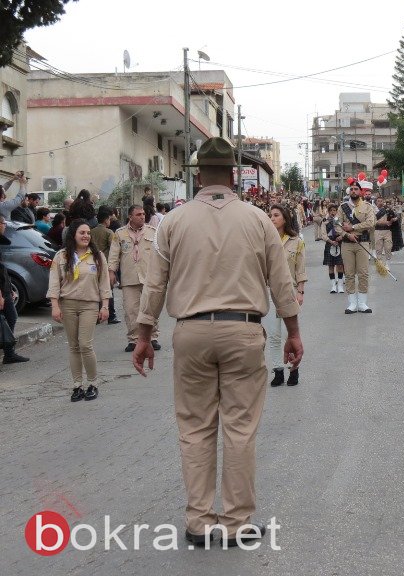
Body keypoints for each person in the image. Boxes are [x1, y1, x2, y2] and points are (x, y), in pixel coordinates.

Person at [133, 137, 302, 548]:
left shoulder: (172, 222)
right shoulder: (258, 220)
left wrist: (142, 335)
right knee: (240, 429)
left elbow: (154, 285)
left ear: (197, 177)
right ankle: (238, 522)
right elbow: (281, 282)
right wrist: (293, 332)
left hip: (190, 332)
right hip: (243, 330)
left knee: (195, 427)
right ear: (232, 173)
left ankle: (199, 521)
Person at [47, 218, 112, 401]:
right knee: (74, 346)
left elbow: (104, 282)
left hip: (89, 305)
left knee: (85, 344)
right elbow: (54, 282)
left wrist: (105, 306)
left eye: (88, 233)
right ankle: (77, 386)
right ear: (73, 235)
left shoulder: (97, 256)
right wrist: (55, 306)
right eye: (82, 233)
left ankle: (92, 383)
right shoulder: (62, 256)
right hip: (67, 304)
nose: (86, 236)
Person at [108, 205, 159, 352]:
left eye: (143, 214)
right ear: (130, 216)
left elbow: (159, 254)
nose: (142, 216)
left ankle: (153, 337)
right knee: (131, 310)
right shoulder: (119, 233)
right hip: (129, 277)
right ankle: (134, 339)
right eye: (138, 214)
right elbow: (113, 255)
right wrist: (111, 272)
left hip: (149, 277)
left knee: (151, 308)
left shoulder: (153, 232)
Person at [268, 203, 307, 388]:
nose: (272, 218)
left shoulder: (296, 241)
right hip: (269, 292)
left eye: (276, 215)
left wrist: (300, 291)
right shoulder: (265, 240)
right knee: (273, 334)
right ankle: (277, 370)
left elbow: (300, 268)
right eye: (270, 215)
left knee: (289, 334)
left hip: (289, 291)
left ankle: (294, 369)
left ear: (284, 218)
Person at [336, 182, 376, 313]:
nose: (353, 191)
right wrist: (347, 234)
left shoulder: (367, 206)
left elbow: (371, 223)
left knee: (363, 273)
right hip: (347, 244)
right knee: (349, 273)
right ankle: (352, 303)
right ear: (349, 192)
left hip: (362, 242)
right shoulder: (342, 207)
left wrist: (353, 227)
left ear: (360, 191)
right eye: (351, 189)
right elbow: (337, 225)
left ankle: (362, 303)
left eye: (356, 189)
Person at [0, 215, 29, 364]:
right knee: (6, 319)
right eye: (3, 223)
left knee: (11, 317)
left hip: (5, 289)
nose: (5, 226)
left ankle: (9, 352)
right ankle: (8, 352)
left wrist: (8, 288)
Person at [90, 205, 120, 324]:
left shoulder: (91, 231)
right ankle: (111, 316)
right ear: (106, 219)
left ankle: (96, 316)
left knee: (95, 289)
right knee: (108, 290)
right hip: (105, 264)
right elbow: (114, 248)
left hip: (92, 263)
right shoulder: (109, 232)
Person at [320, 204, 345, 293]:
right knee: (331, 266)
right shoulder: (324, 221)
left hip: (339, 243)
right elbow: (323, 235)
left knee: (340, 265)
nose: (332, 212)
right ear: (328, 211)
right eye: (331, 211)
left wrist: (341, 237)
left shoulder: (339, 221)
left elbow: (344, 231)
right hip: (329, 244)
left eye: (334, 210)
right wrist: (331, 241)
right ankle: (333, 286)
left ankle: (340, 286)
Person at [373, 196, 397, 270]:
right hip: (377, 231)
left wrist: (393, 219)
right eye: (378, 201)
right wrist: (385, 222)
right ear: (376, 202)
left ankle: (387, 265)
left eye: (381, 201)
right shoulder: (373, 211)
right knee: (378, 249)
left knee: (388, 247)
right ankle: (380, 265)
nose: (380, 202)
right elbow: (373, 222)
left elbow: (395, 217)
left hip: (387, 231)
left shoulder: (387, 210)